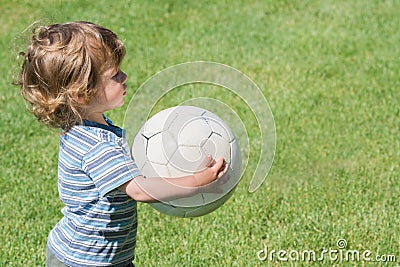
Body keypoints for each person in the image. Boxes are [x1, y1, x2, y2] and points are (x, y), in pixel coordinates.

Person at [15, 21, 228, 267]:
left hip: (98, 256)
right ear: (82, 94)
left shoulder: (85, 127)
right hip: (84, 261)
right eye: (114, 75)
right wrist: (197, 182)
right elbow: (139, 190)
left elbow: (125, 173)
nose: (124, 76)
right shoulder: (97, 146)